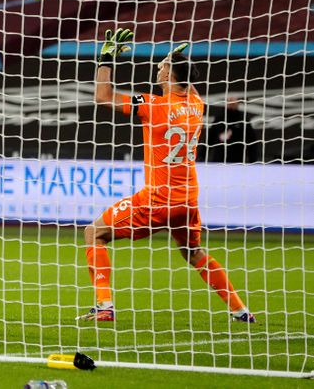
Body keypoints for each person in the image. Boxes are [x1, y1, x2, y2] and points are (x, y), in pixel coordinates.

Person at [81, 29, 255, 323]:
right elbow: (186, 83)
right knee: (194, 253)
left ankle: (104, 305)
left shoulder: (153, 106)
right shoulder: (196, 105)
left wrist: (106, 58)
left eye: (162, 67)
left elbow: (103, 96)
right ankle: (240, 310)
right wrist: (173, 59)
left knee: (93, 233)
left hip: (157, 199)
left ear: (169, 76)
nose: (158, 68)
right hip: (187, 200)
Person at [207, 97, 259, 163]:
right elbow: (210, 138)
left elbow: (251, 140)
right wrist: (202, 156)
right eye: (230, 102)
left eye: (234, 103)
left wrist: (252, 159)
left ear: (237, 104)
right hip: (219, 157)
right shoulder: (219, 118)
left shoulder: (243, 119)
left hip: (237, 158)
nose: (232, 104)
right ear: (226, 104)